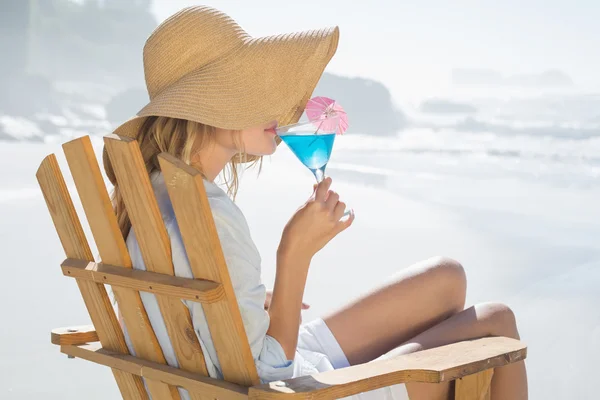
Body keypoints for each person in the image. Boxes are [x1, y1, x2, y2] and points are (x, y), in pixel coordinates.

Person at [104, 6, 528, 400]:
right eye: (254, 87)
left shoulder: (154, 191)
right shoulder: (211, 214)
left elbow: (189, 313)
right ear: (213, 107)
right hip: (290, 388)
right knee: (497, 323)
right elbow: (268, 369)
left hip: (247, 357)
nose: (279, 103)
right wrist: (295, 255)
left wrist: (238, 304)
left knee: (446, 277)